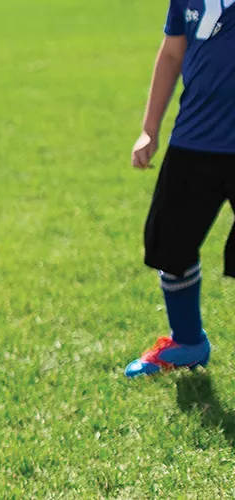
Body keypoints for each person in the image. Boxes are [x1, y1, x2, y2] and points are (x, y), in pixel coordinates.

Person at [123, 0, 234, 377]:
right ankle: (187, 342)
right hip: (194, 140)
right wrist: (149, 129)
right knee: (169, 242)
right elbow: (172, 53)